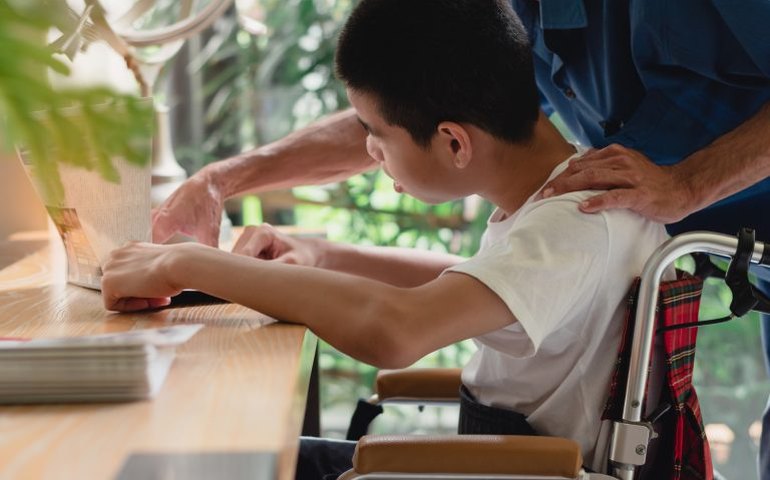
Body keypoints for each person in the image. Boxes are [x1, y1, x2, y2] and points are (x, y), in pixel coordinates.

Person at [151, 1, 770, 477]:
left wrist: (191, 265)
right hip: (504, 454)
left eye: (376, 136)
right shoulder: (563, 201)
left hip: (515, 466)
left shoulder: (578, 213)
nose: (370, 151)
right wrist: (316, 250)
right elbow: (479, 273)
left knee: (218, 461)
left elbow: (397, 331)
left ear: (453, 142)